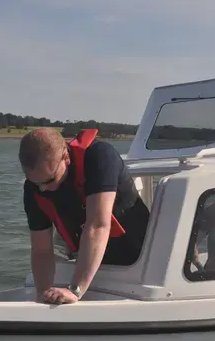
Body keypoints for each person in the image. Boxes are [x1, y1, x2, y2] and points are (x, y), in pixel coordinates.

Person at [19, 127, 150, 305]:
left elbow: (98, 225)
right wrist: (43, 294)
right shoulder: (34, 188)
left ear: (66, 157)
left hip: (140, 261)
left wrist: (75, 289)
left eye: (50, 180)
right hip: (93, 265)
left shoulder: (99, 157)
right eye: (36, 183)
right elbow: (41, 250)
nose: (43, 189)